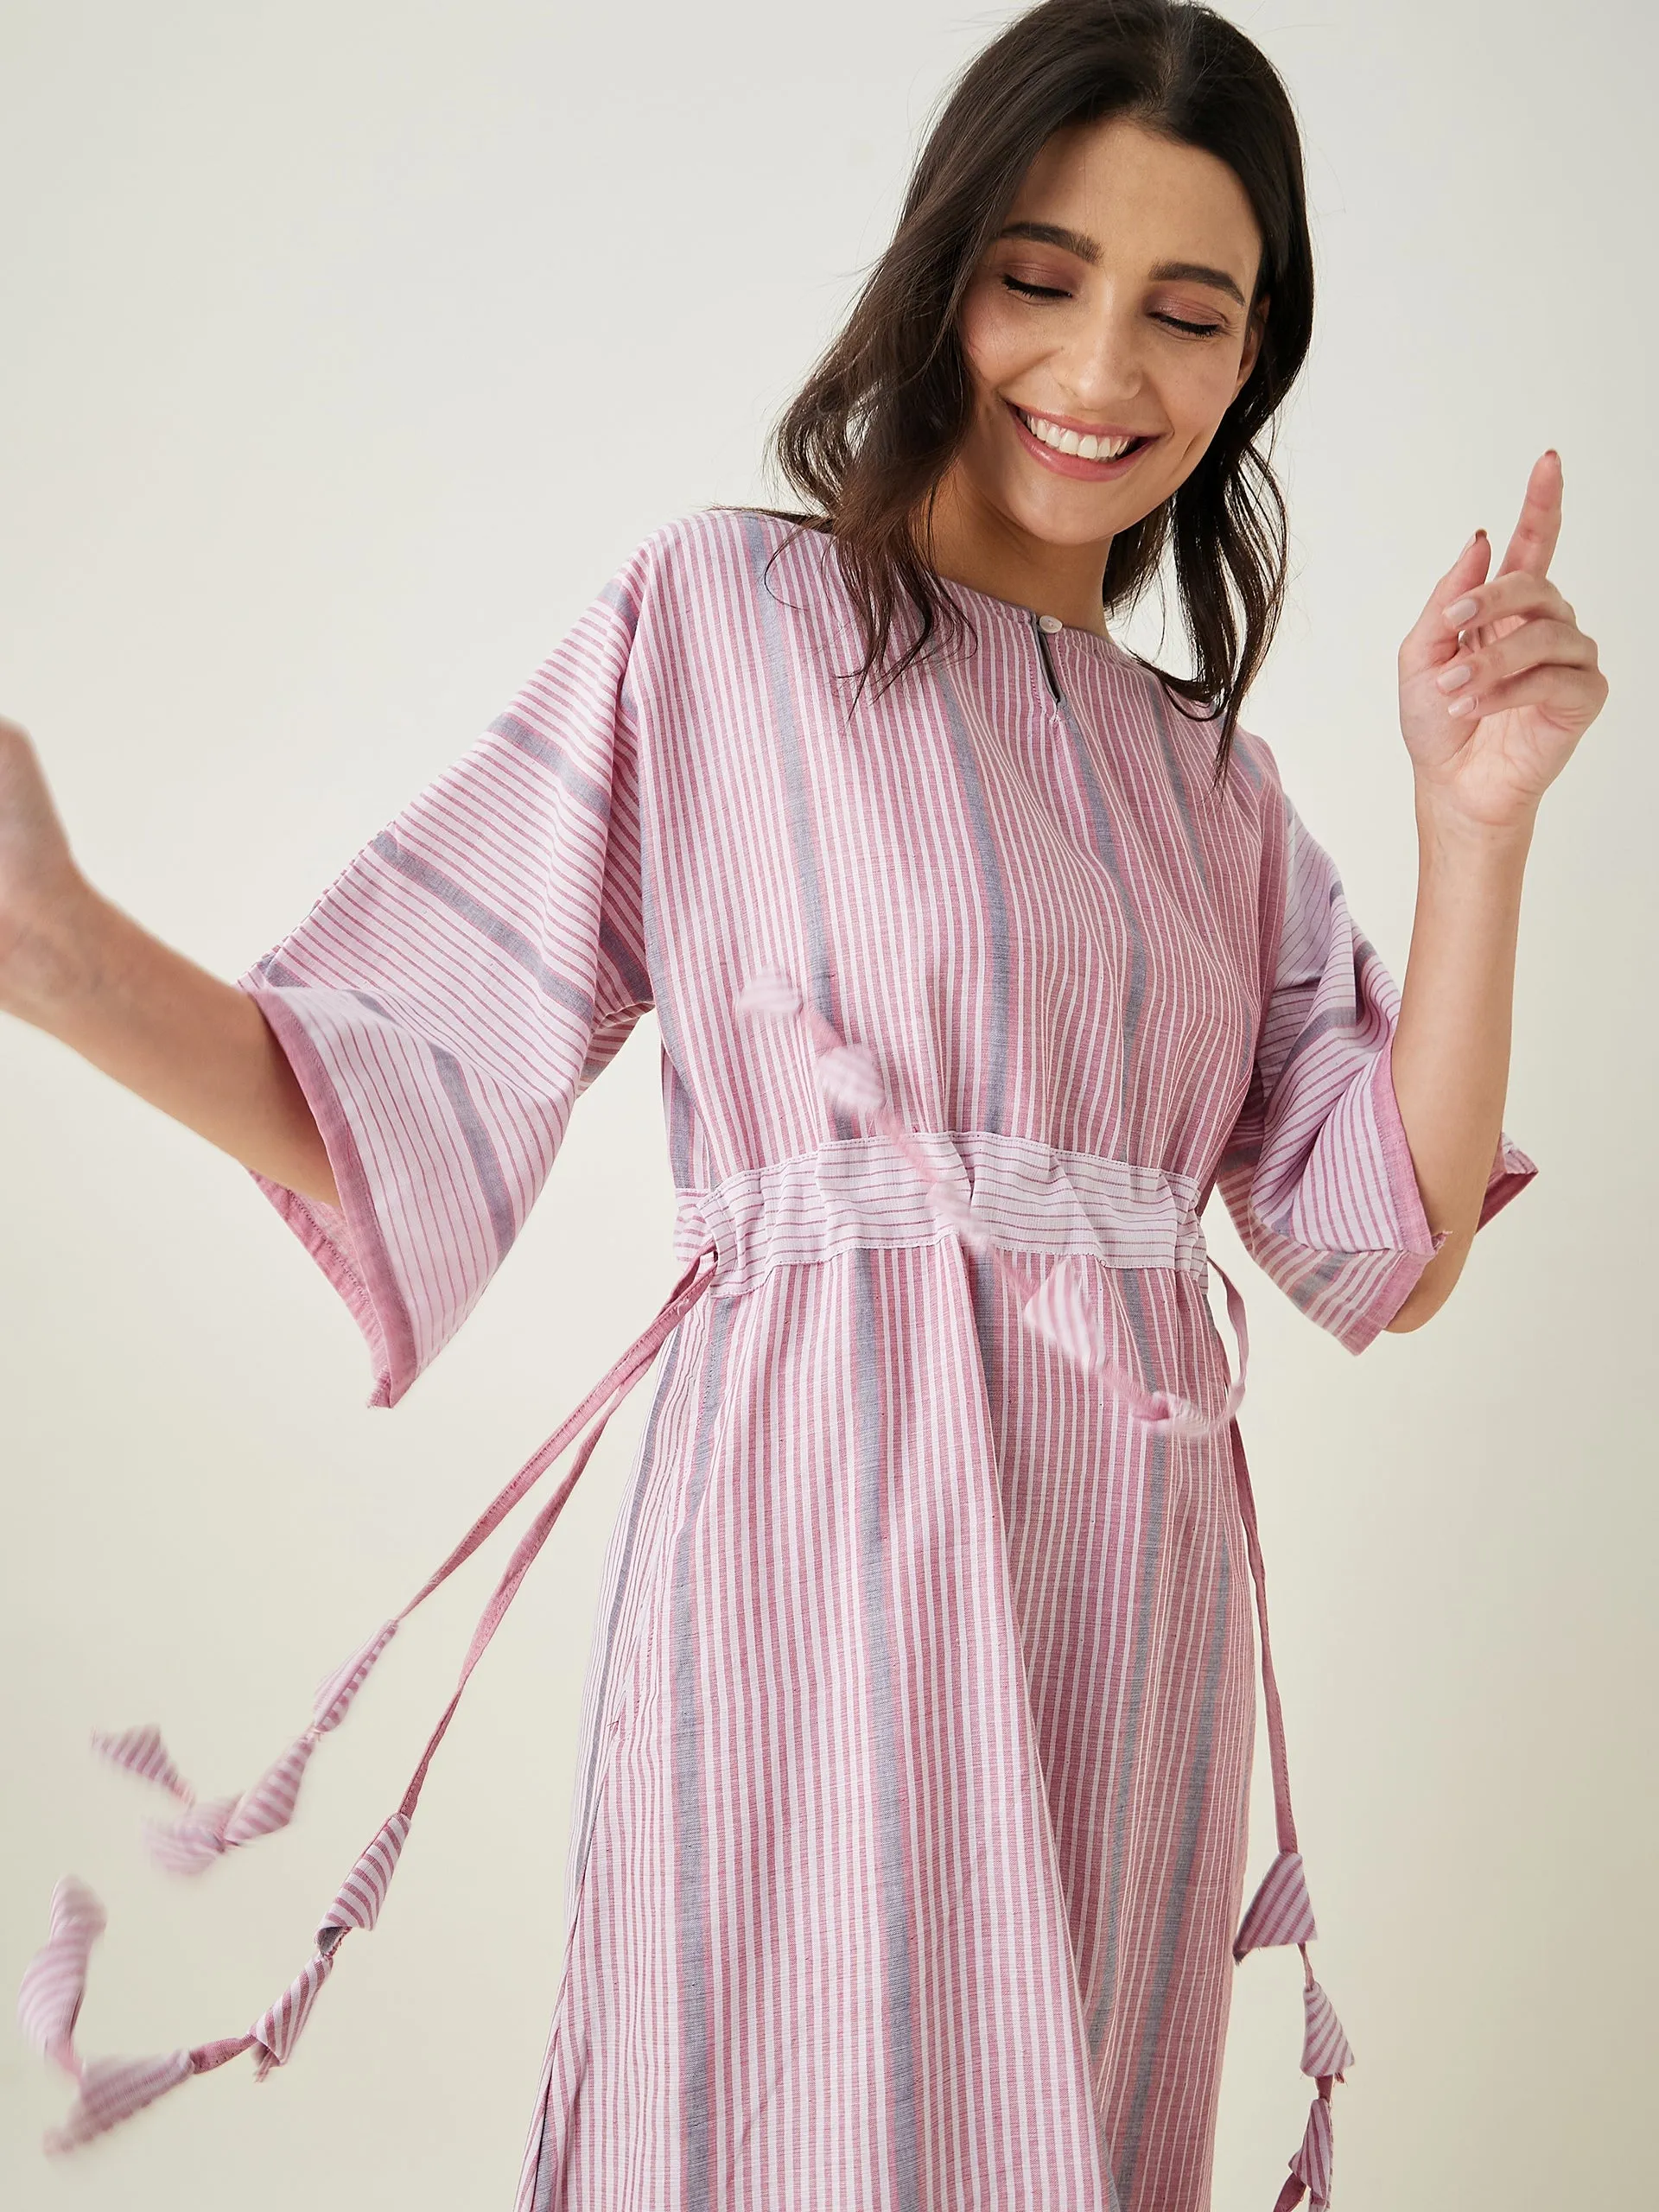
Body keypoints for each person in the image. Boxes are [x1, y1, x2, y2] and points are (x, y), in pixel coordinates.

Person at [5, 3, 1605, 2208]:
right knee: (781, 2112)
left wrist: (1474, 825)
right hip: (811, 1534)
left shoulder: (1216, 792)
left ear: (1253, 363)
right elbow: (402, 1068)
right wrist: (63, 952)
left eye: (1188, 312)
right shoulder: (722, 614)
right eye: (1041, 276)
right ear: (943, 268)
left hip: (1127, 1614)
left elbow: (1377, 1247)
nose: (1102, 367)